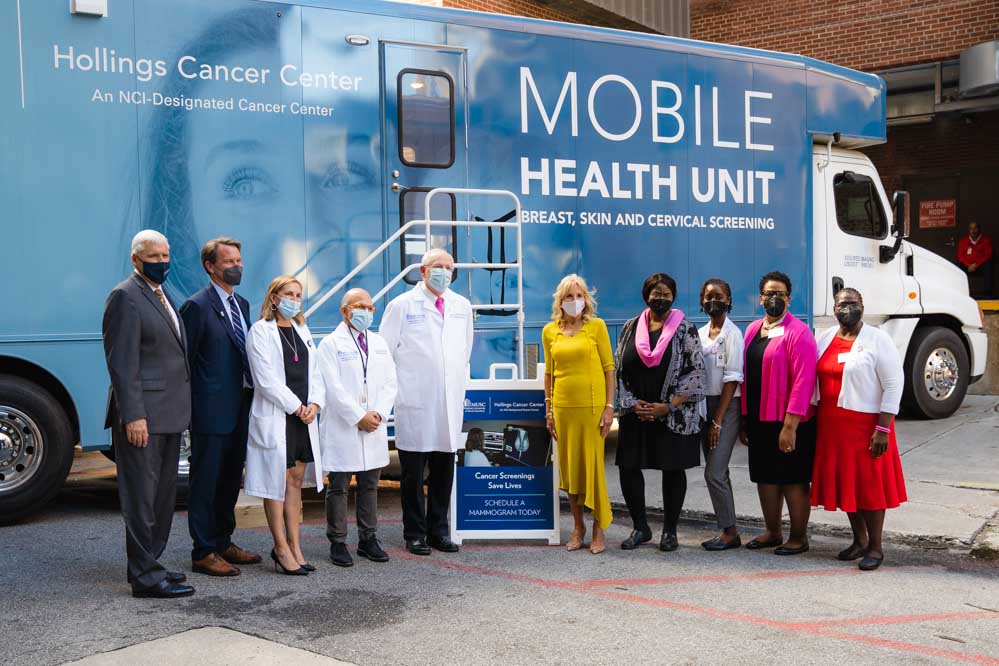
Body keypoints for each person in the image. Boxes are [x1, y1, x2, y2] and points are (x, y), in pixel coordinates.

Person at [101, 230, 194, 598]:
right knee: (141, 498)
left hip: (169, 413)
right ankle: (144, 578)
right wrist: (133, 415)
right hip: (145, 417)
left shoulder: (159, 293)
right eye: (154, 256)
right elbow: (122, 364)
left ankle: (150, 563)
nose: (162, 262)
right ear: (136, 259)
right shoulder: (125, 296)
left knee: (161, 497)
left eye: (166, 254)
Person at [380, 249, 473, 556]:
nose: (444, 272)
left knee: (444, 472)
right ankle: (415, 533)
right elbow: (385, 354)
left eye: (449, 267)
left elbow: (465, 352)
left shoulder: (462, 306)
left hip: (449, 404)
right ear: (423, 270)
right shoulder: (402, 306)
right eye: (438, 267)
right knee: (412, 474)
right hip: (415, 402)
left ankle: (439, 531)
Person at [179, 237, 261, 577]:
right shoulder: (196, 306)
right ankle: (203, 550)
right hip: (210, 410)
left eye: (239, 260)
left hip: (240, 405)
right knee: (206, 480)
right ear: (210, 266)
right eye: (228, 261)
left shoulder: (241, 303)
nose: (236, 266)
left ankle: (223, 540)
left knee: (230, 479)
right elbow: (186, 361)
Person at [812, 288, 907, 571]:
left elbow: (894, 384)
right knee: (848, 484)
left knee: (870, 486)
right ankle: (859, 540)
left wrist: (883, 428)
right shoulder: (826, 337)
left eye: (853, 303)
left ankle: (876, 547)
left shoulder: (878, 339)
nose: (847, 309)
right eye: (842, 304)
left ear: (863, 307)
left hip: (866, 425)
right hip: (832, 425)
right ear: (834, 308)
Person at [615, 273, 705, 553]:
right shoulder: (631, 327)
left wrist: (667, 406)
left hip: (671, 414)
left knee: (672, 469)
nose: (660, 298)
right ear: (646, 295)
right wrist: (632, 403)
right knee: (629, 468)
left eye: (666, 293)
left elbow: (697, 372)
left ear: (673, 297)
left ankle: (669, 531)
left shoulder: (685, 329)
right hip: (637, 412)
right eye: (656, 293)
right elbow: (619, 370)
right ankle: (641, 527)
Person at [245, 276, 325, 575]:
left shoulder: (302, 330)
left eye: (298, 295)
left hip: (304, 417)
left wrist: (315, 404)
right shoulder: (260, 331)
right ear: (274, 298)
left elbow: (315, 372)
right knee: (275, 484)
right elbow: (265, 380)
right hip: (280, 414)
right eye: (288, 294)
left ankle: (296, 546)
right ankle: (280, 547)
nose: (294, 299)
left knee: (295, 481)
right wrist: (297, 407)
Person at [316, 288, 397, 568]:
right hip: (344, 425)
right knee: (338, 486)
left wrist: (378, 413)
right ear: (345, 311)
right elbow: (333, 388)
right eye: (359, 306)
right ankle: (338, 541)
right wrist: (358, 416)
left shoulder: (379, 343)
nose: (366, 311)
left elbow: (390, 382)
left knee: (370, 485)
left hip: (373, 424)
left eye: (370, 307)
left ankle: (368, 539)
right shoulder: (330, 344)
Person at [740, 271, 818, 555]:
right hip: (760, 418)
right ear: (761, 298)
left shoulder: (799, 333)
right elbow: (746, 376)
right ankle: (772, 532)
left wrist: (790, 425)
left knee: (792, 479)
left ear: (789, 298)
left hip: (790, 422)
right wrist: (746, 417)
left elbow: (804, 381)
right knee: (765, 477)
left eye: (781, 294)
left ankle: (799, 537)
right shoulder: (751, 331)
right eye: (770, 293)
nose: (775, 298)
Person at [542, 274, 615, 554]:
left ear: (587, 299)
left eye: (579, 296)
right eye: (569, 297)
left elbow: (609, 368)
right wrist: (548, 409)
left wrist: (610, 407)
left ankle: (598, 527)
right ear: (560, 302)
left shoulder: (596, 327)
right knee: (571, 469)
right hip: (563, 409)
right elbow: (549, 373)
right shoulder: (551, 331)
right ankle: (578, 526)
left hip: (593, 409)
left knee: (593, 468)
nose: (575, 301)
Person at [697, 278, 745, 551]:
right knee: (718, 471)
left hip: (726, 408)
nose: (712, 301)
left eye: (719, 296)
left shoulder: (733, 334)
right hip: (706, 406)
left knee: (713, 472)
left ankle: (730, 532)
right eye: (707, 296)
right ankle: (727, 528)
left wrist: (718, 421)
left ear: (728, 301)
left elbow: (732, 379)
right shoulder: (702, 333)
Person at [957, 222, 993, 296]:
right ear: (968, 230)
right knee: (957, 265)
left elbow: (988, 255)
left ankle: (988, 294)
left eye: (975, 228)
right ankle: (960, 293)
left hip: (980, 266)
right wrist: (968, 265)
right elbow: (960, 256)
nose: (973, 231)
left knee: (988, 265)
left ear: (979, 229)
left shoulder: (986, 240)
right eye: (971, 229)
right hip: (968, 266)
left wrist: (977, 264)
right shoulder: (963, 241)